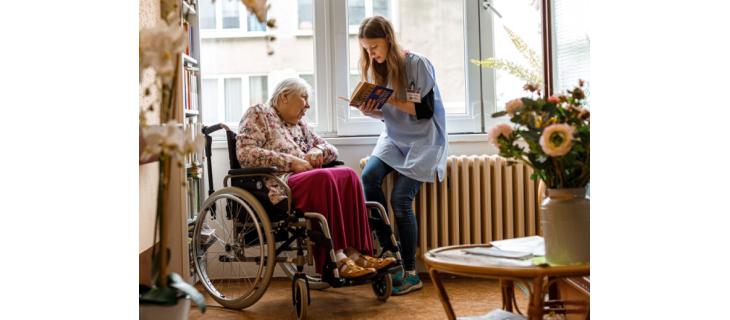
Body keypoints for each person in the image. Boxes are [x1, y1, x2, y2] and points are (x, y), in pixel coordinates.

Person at [236, 77, 395, 278]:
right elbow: (245, 153)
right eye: (304, 98)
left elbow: (332, 149)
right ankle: (336, 258)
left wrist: (318, 149)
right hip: (280, 183)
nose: (308, 105)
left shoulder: (301, 124)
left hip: (309, 177)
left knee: (348, 175)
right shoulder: (259, 113)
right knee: (323, 178)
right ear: (284, 97)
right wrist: (291, 162)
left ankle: (357, 254)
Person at [354, 16, 448, 295]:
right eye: (366, 49)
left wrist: (390, 100)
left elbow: (424, 110)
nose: (371, 53)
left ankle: (410, 272)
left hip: (424, 140)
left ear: (388, 39)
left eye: (374, 46)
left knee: (400, 200)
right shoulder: (377, 68)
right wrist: (372, 110)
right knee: (368, 178)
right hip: (395, 137)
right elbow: (390, 116)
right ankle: (389, 250)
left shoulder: (417, 64)